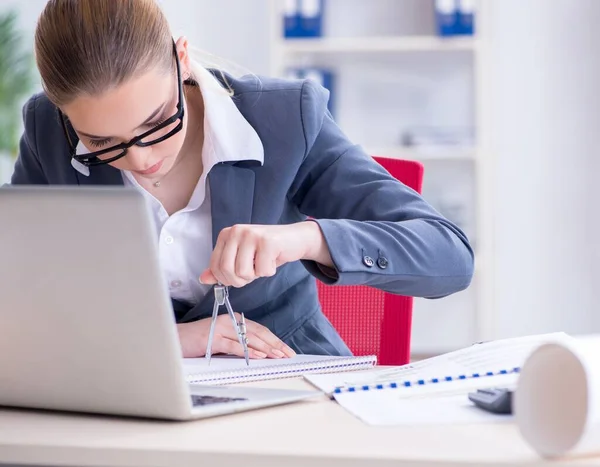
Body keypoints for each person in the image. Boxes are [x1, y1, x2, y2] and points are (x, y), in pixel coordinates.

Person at [11, 0, 474, 360]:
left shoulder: (286, 118)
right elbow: (20, 288)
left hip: (286, 385)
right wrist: (173, 341)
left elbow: (449, 255)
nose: (141, 158)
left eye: (156, 122)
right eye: (101, 143)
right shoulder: (47, 131)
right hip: (124, 387)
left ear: (182, 58)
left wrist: (308, 239)